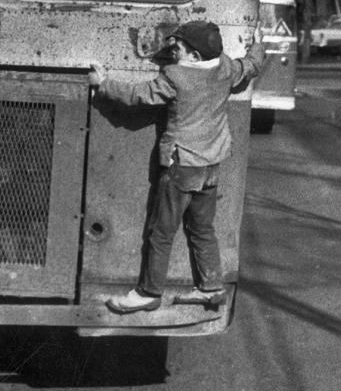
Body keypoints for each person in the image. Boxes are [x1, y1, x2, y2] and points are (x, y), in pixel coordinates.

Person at [89, 21, 265, 314]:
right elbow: (252, 66)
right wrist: (258, 43)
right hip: (211, 165)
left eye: (179, 48)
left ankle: (148, 293)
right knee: (202, 228)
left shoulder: (175, 76)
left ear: (194, 56)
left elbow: (138, 95)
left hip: (182, 166)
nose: (173, 51)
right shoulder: (225, 69)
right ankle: (211, 288)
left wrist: (103, 84)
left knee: (161, 232)